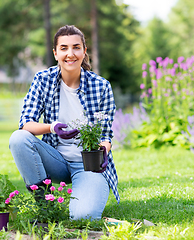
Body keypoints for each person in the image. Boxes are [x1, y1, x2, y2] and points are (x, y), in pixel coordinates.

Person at [9, 25, 119, 220]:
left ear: (84, 51)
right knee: (19, 139)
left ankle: (83, 197)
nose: (71, 54)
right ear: (55, 53)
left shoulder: (101, 86)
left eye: (76, 47)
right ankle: (45, 206)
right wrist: (52, 128)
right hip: (55, 160)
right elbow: (26, 123)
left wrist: (102, 151)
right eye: (64, 48)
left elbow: (105, 135)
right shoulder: (43, 80)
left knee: (83, 217)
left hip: (88, 164)